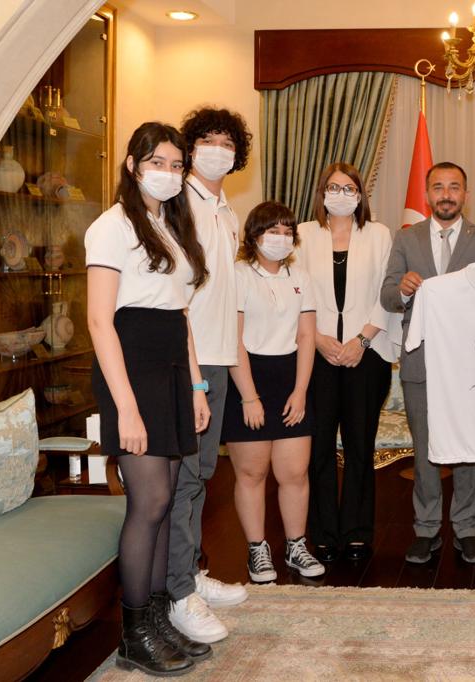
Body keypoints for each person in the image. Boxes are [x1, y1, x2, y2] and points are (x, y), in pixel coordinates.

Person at [87, 121, 212, 675]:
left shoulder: (171, 226)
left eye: (176, 164)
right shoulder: (111, 226)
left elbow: (179, 315)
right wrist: (127, 408)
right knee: (150, 501)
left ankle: (158, 619)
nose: (168, 173)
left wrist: (196, 385)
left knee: (167, 500)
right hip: (131, 367)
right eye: (156, 162)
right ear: (133, 165)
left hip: (171, 368)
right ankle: (133, 633)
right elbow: (99, 320)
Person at [380, 162, 475, 564]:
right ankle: (426, 528)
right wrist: (404, 290)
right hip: (420, 361)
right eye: (438, 187)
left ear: (466, 194)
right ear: (427, 194)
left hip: (469, 364)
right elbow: (387, 296)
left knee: (466, 446)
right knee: (426, 449)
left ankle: (466, 527)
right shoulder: (406, 237)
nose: (446, 194)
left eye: (454, 187)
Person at [167, 106, 252, 646]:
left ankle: (193, 571)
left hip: (219, 356)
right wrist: (195, 375)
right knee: (182, 479)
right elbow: (176, 297)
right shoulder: (179, 204)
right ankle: (177, 592)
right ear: (191, 148)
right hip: (188, 360)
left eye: (227, 143)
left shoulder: (227, 210)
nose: (218, 150)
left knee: (201, 473)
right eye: (208, 140)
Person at [221, 201, 324, 583]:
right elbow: (233, 340)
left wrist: (300, 391)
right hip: (246, 376)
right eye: (272, 231)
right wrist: (249, 396)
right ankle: (257, 549)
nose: (281, 238)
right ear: (254, 235)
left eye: (287, 232)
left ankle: (296, 546)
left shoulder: (301, 277)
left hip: (290, 377)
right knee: (252, 472)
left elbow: (307, 336)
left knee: (294, 472)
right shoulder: (237, 275)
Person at [298, 162, 396, 563]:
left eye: (349, 187)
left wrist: (361, 339)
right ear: (322, 192)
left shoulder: (379, 234)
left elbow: (388, 293)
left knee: (359, 445)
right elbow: (294, 292)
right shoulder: (302, 235)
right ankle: (322, 532)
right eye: (333, 187)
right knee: (318, 446)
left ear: (360, 194)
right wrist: (319, 339)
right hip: (316, 353)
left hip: (366, 355)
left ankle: (357, 532)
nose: (341, 194)